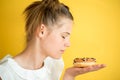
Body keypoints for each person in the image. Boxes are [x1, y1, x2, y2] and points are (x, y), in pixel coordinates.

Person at [0, 0, 106, 80]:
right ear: (42, 31)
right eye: (64, 36)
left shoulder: (55, 64)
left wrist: (69, 75)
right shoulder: (5, 73)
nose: (68, 44)